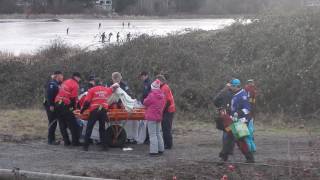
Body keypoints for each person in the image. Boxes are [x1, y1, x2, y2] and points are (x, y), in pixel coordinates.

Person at [219, 78, 255, 163]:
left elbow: (247, 109)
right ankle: (224, 158)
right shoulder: (235, 94)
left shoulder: (242, 95)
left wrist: (238, 115)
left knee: (240, 141)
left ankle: (250, 158)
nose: (230, 87)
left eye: (231, 86)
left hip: (240, 122)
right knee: (229, 137)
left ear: (236, 86)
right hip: (233, 122)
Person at [81, 78, 119, 151]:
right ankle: (104, 147)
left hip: (94, 111)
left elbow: (87, 102)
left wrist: (82, 110)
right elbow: (114, 88)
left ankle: (85, 146)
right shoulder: (106, 90)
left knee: (89, 128)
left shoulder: (91, 90)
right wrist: (116, 85)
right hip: (103, 111)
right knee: (102, 129)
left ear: (95, 83)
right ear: (102, 83)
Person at [55, 72, 82, 146]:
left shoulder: (66, 81)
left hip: (57, 104)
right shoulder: (75, 84)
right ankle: (75, 142)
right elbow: (73, 99)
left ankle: (66, 142)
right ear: (77, 77)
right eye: (79, 78)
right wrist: (74, 110)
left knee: (62, 124)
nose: (79, 80)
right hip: (65, 105)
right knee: (73, 125)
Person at [143, 79, 166, 156]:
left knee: (152, 134)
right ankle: (161, 149)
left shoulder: (152, 95)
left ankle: (153, 151)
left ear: (152, 87)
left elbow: (145, 102)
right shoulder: (162, 96)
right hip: (159, 116)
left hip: (151, 117)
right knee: (158, 133)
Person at [43, 71, 64, 145]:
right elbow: (49, 95)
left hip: (55, 105)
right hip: (50, 105)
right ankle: (50, 140)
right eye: (61, 76)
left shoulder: (58, 84)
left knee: (54, 122)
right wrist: (51, 105)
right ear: (57, 76)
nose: (62, 77)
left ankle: (53, 139)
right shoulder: (52, 84)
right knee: (52, 122)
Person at [156, 75, 176, 149]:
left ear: (160, 81)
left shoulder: (164, 88)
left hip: (168, 109)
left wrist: (160, 111)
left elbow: (164, 101)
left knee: (166, 127)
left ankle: (168, 144)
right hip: (167, 109)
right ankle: (166, 143)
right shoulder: (163, 87)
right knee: (165, 127)